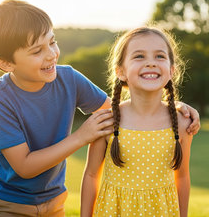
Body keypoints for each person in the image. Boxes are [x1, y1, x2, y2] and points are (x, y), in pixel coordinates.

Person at [0, 0, 199, 217]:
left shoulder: (69, 79)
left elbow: (120, 110)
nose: (51, 54)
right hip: (6, 201)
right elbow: (24, 166)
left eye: (52, 42)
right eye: (37, 51)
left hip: (53, 197)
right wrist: (82, 137)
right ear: (6, 63)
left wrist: (169, 106)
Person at [80, 27, 194, 217]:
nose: (151, 63)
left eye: (159, 56)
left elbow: (182, 177)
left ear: (172, 70)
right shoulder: (107, 121)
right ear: (121, 71)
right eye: (139, 56)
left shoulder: (182, 123)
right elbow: (91, 175)